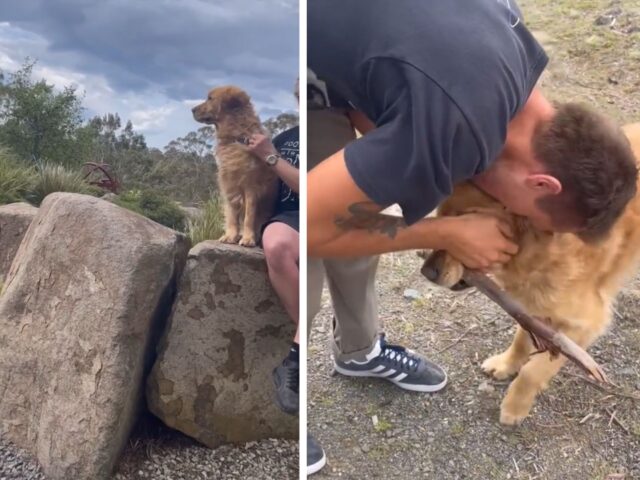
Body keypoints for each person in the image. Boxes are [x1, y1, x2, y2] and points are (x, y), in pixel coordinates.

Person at [306, 0, 637, 475]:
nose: (530, 230)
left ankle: (358, 351)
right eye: (540, 222)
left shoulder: (519, 50)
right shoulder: (453, 123)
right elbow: (312, 228)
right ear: (543, 184)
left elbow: (396, 89)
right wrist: (444, 231)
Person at [248, 82, 300, 416]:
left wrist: (269, 156)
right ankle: (303, 347)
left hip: (325, 212)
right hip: (290, 217)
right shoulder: (284, 139)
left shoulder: (333, 135)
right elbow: (262, 189)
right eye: (300, 94)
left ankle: (295, 358)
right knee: (277, 243)